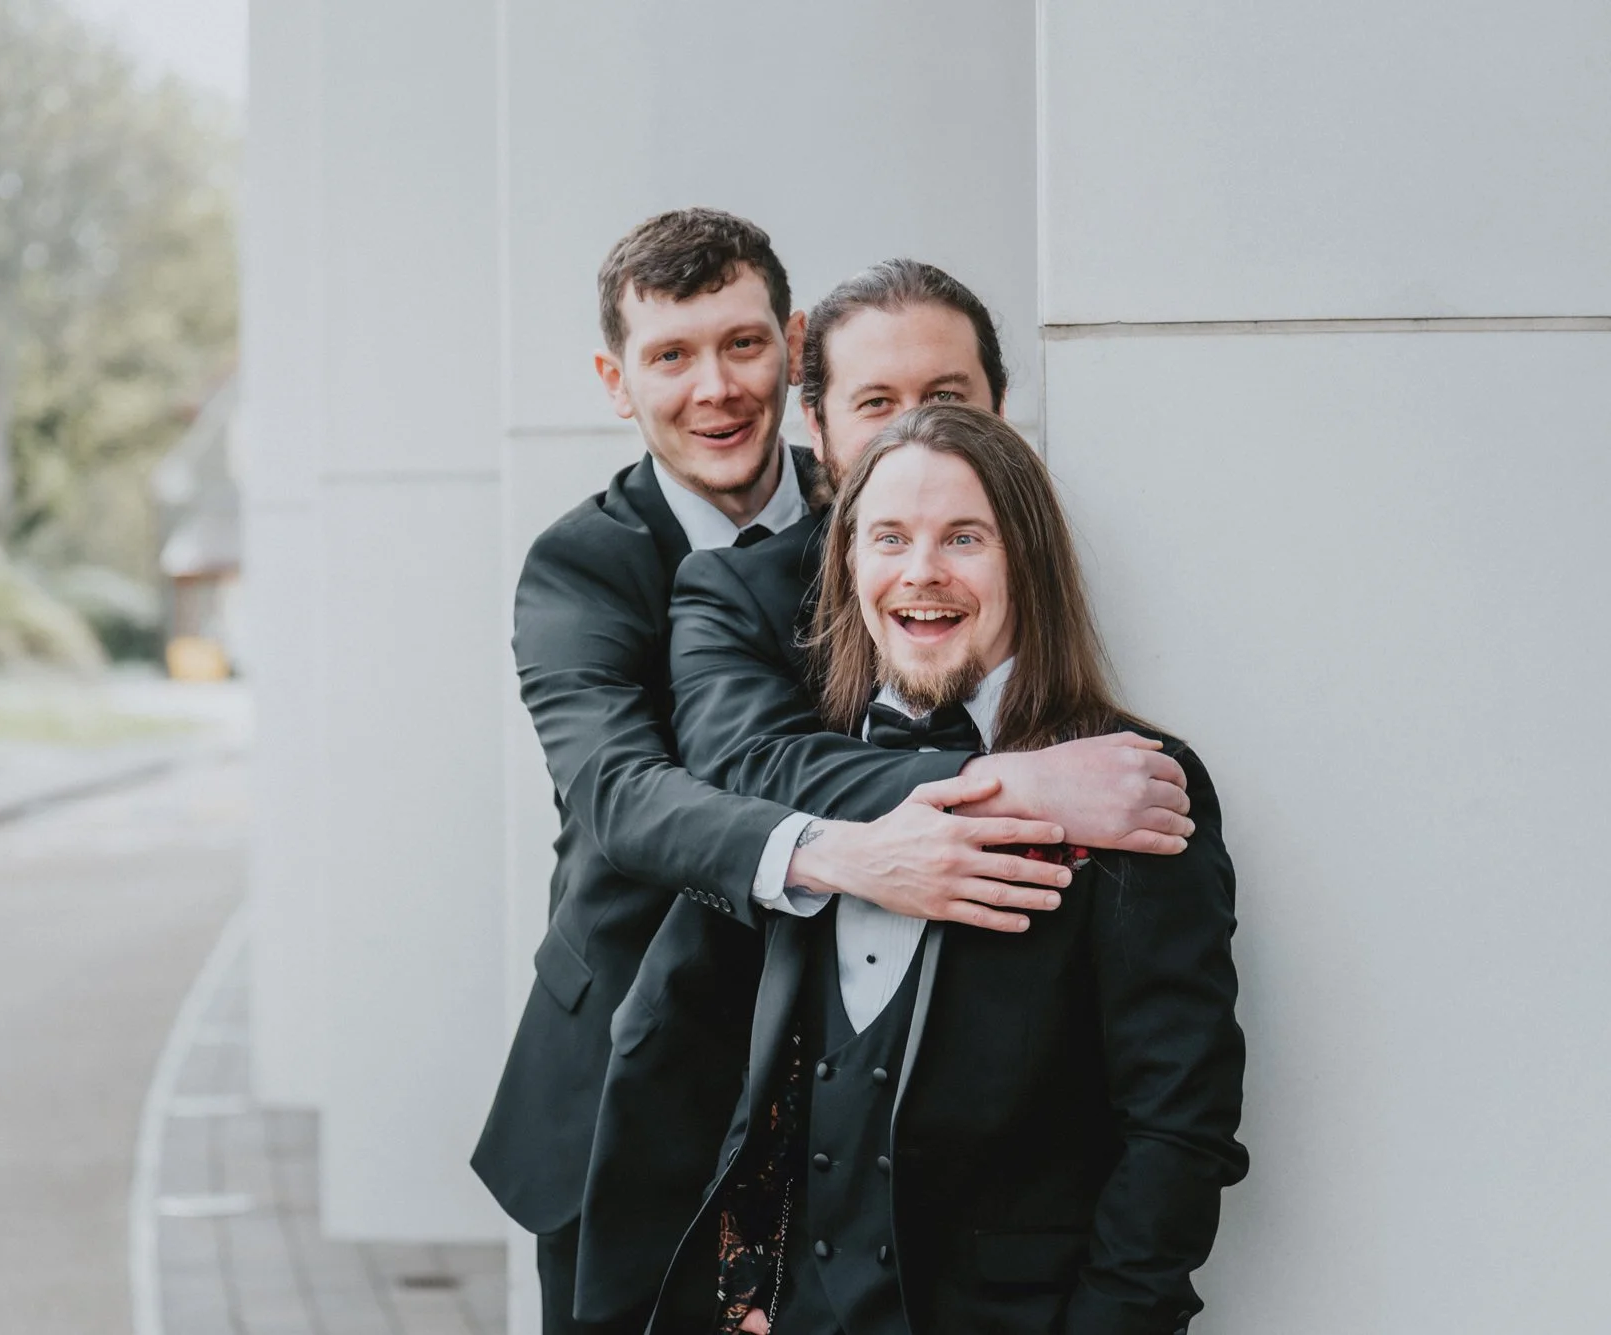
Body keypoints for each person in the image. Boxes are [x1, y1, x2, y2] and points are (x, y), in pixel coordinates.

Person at [473, 217, 1191, 1335]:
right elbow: (645, 790)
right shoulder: (594, 568)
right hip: (629, 1065)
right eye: (671, 356)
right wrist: (1008, 796)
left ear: (788, 350)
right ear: (617, 382)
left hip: (831, 1117)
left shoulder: (911, 521)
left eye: (741, 345)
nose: (713, 388)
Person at [650, 402, 1247, 1335]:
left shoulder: (1128, 784)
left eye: (964, 537)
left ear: (1028, 562)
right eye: (889, 536)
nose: (920, 572)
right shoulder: (800, 779)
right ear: (848, 565)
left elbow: (1178, 1126)